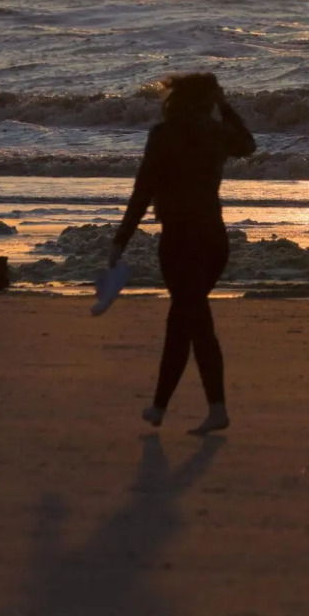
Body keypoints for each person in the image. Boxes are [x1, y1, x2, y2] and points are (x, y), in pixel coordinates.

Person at [109, 73, 256, 434]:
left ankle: (216, 408)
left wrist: (121, 239)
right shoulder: (215, 132)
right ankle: (160, 407)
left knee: (193, 320)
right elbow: (248, 145)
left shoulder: (164, 135)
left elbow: (143, 191)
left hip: (180, 240)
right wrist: (225, 105)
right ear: (208, 101)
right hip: (214, 240)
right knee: (184, 318)